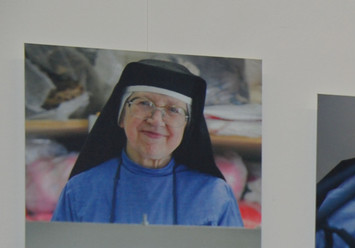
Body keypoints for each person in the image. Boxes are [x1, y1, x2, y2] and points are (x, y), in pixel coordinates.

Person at [51, 58, 242, 226]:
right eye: (144, 103)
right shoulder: (80, 191)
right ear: (121, 116)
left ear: (187, 127)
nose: (156, 120)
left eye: (173, 110)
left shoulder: (214, 196)